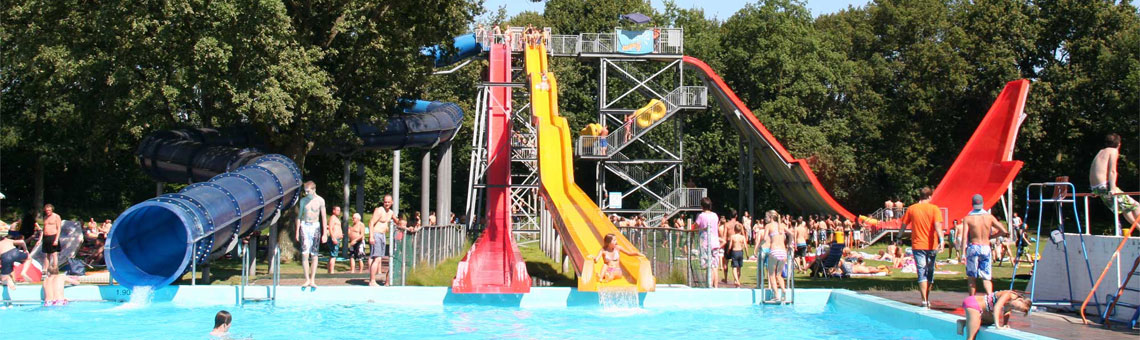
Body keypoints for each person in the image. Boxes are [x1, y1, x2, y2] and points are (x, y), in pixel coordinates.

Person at [900, 186, 944, 309]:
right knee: (929, 273)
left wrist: (898, 236)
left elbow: (904, 225)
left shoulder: (912, 208)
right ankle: (926, 298)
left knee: (921, 272)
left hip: (918, 245)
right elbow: (938, 227)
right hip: (932, 245)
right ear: (930, 196)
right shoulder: (934, 209)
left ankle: (924, 300)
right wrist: (941, 240)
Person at [960, 194, 1008, 296]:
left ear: (972, 204)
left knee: (972, 276)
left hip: (974, 246)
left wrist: (963, 254)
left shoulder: (968, 218)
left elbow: (964, 237)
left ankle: (972, 300)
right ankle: (990, 300)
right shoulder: (989, 217)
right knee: (986, 277)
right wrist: (991, 237)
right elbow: (1004, 231)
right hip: (985, 247)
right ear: (982, 204)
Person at [1089, 133, 1139, 224]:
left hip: (1096, 188)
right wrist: (1112, 188)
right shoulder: (1113, 151)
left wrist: (1094, 190)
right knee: (1136, 205)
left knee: (1125, 209)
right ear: (1119, 144)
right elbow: (1112, 171)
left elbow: (1093, 169)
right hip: (1105, 186)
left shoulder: (1101, 152)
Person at [956, 290, 1033, 340]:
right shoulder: (1008, 295)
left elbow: (1007, 312)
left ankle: (963, 322)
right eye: (1017, 307)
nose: (1014, 308)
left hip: (981, 309)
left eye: (1016, 309)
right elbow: (997, 307)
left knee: (990, 321)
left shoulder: (1011, 302)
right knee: (972, 337)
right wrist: (998, 326)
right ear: (1020, 300)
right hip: (974, 304)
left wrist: (1004, 325)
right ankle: (965, 323)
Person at [294, 181, 326, 289]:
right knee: (304, 254)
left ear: (314, 190)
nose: (306, 193)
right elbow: (299, 216)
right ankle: (307, 279)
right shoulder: (303, 201)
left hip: (315, 226)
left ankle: (312, 279)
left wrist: (325, 234)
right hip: (304, 226)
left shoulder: (320, 201)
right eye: (305, 191)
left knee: (314, 254)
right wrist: (297, 231)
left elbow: (324, 218)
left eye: (308, 191)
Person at [759, 210, 791, 302]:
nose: (765, 219)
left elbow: (765, 238)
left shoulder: (768, 226)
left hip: (774, 251)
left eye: (766, 217)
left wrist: (758, 246)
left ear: (771, 217)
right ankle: (784, 291)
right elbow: (791, 234)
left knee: (771, 274)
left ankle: (777, 295)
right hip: (783, 252)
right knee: (779, 275)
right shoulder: (782, 225)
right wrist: (789, 245)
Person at [367, 194, 395, 287]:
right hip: (376, 234)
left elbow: (397, 221)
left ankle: (373, 280)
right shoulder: (380, 210)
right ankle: (372, 281)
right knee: (377, 258)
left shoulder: (390, 212)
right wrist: (371, 236)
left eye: (388, 202)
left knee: (379, 258)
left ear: (392, 202)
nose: (386, 203)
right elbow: (371, 222)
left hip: (382, 236)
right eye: (385, 202)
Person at [695, 197, 721, 288]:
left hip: (706, 243)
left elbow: (696, 226)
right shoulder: (715, 215)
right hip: (715, 242)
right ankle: (716, 286)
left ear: (702, 206)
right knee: (715, 266)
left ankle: (709, 285)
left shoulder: (701, 216)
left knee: (707, 266)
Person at [41, 204, 62, 274]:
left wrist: (56, 239)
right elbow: (43, 228)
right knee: (47, 254)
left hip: (53, 236)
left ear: (52, 210)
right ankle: (46, 269)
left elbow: (59, 228)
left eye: (49, 210)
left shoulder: (56, 216)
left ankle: (55, 269)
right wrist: (40, 239)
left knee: (54, 254)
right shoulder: (45, 217)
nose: (48, 212)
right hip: (46, 237)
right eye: (46, 210)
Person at [721, 209, 741, 282]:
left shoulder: (727, 224)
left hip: (729, 242)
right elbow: (743, 235)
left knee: (726, 261)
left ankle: (725, 278)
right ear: (736, 216)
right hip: (736, 243)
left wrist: (723, 244)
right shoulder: (739, 224)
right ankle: (736, 280)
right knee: (737, 263)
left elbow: (724, 236)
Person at [325, 206, 343, 274]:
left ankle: (329, 271)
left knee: (332, 255)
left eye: (339, 210)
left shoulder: (336, 218)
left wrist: (340, 235)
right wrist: (333, 237)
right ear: (334, 211)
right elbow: (330, 228)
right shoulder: (332, 218)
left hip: (337, 238)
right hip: (334, 239)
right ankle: (331, 272)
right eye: (337, 210)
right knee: (333, 256)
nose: (339, 211)